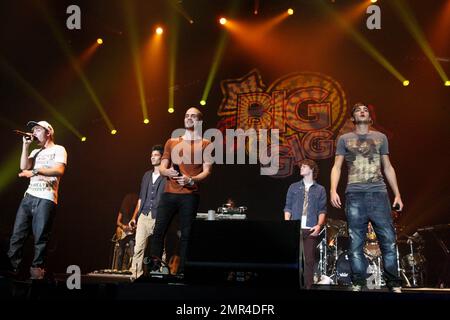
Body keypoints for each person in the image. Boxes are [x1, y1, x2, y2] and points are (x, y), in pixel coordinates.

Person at [330, 102, 404, 292]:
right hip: (354, 194)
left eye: (365, 110)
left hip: (378, 193)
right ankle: (358, 282)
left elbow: (388, 166)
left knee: (387, 240)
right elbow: (337, 166)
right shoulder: (344, 139)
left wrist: (397, 194)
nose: (362, 111)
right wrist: (332, 190)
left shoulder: (381, 137)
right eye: (357, 110)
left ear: (370, 117)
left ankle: (393, 283)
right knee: (356, 242)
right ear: (353, 118)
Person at [149, 107, 213, 274]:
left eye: (193, 116)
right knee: (158, 231)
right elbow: (162, 166)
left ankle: (183, 272)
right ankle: (154, 269)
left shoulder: (206, 144)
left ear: (199, 121)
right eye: (186, 115)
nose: (188, 118)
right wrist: (166, 171)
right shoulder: (172, 142)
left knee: (186, 235)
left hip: (189, 195)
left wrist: (191, 179)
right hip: (169, 193)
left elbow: (207, 171)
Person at [7, 120, 67, 280]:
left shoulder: (58, 149)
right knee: (17, 236)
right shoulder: (35, 151)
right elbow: (23, 167)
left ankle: (37, 272)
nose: (33, 133)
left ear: (48, 133)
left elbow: (59, 170)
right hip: (29, 197)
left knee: (40, 238)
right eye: (33, 130)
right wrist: (26, 146)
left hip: (46, 198)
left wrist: (34, 172)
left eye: (38, 130)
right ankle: (14, 271)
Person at [284, 159, 327, 289]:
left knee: (309, 260)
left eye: (304, 166)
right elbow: (288, 207)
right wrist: (288, 226)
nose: (301, 168)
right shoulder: (293, 187)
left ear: (311, 169)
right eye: (301, 166)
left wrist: (319, 225)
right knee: (293, 259)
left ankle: (308, 287)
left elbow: (322, 210)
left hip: (310, 228)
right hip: (295, 227)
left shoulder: (320, 189)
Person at [128, 145, 166, 279]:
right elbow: (141, 198)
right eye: (151, 155)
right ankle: (135, 275)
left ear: (162, 157)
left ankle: (159, 274)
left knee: (160, 250)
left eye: (155, 155)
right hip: (143, 216)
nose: (152, 157)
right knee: (138, 248)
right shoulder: (146, 175)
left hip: (158, 217)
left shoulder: (166, 176)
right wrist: (134, 217)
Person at [112, 193, 138, 271]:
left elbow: (137, 223)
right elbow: (118, 221)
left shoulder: (135, 212)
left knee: (132, 252)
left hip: (131, 234)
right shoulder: (123, 208)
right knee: (120, 252)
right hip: (123, 233)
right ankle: (118, 269)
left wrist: (134, 228)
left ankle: (131, 269)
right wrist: (123, 226)